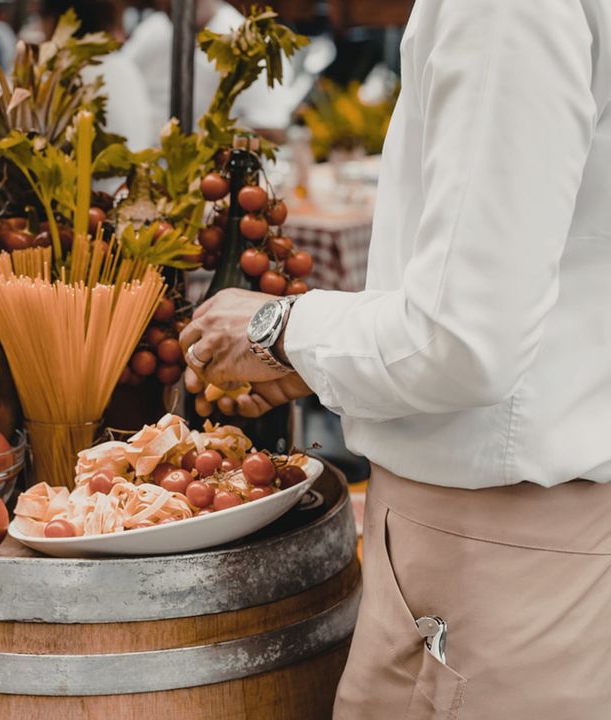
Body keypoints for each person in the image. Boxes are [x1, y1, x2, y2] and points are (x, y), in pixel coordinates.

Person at [178, 1, 611, 716]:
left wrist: (279, 325)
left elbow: (464, 342)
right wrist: (318, 356)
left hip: (498, 557)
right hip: (507, 543)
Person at [122, 0, 295, 138]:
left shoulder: (249, 42)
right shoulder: (151, 31)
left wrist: (210, 141)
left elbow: (271, 130)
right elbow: (121, 82)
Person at [38, 0, 156, 152]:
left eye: (40, 16)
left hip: (94, 174)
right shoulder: (124, 65)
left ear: (55, 21)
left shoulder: (66, 75)